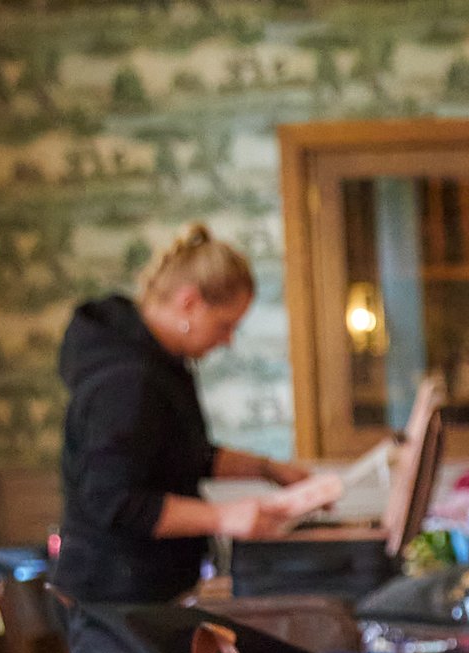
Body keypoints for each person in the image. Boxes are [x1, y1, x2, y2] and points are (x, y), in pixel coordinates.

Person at [53, 224, 316, 605]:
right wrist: (224, 517)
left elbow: (185, 456)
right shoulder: (127, 379)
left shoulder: (160, 365)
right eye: (225, 325)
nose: (228, 340)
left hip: (145, 590)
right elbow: (115, 501)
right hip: (113, 598)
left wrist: (268, 469)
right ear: (190, 303)